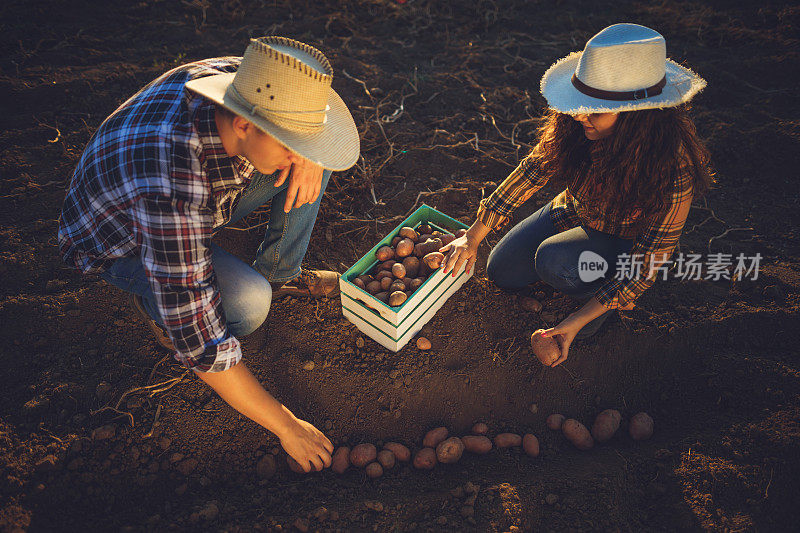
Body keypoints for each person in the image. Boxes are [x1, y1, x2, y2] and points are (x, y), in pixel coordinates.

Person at [57, 37, 361, 472]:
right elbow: (204, 345)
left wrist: (306, 154)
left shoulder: (256, 81)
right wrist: (288, 426)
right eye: (286, 142)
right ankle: (159, 302)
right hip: (122, 240)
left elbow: (310, 111)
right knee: (248, 305)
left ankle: (279, 271)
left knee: (317, 158)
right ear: (243, 125)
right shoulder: (173, 186)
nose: (294, 153)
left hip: (193, 202)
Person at [441, 23, 713, 366]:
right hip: (574, 211)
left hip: (626, 242)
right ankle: (579, 272)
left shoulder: (673, 170)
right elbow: (533, 170)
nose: (581, 115)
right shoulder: (575, 127)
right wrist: (473, 236)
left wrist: (575, 320)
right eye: (581, 104)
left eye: (596, 110)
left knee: (555, 262)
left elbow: (646, 266)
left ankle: (597, 303)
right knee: (501, 271)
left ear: (638, 118)